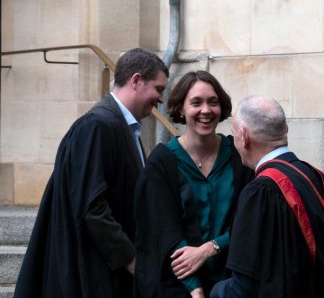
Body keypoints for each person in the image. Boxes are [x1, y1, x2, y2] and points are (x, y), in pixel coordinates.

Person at [15, 48, 169, 298]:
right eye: (158, 89)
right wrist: (131, 260)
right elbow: (91, 207)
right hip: (94, 275)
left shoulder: (120, 127)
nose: (161, 99)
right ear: (136, 80)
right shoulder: (98, 126)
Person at [210, 96, 324, 298]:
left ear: (244, 136)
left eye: (233, 134)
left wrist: (215, 291)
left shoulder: (261, 191)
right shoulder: (319, 178)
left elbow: (244, 288)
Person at [134, 71, 253, 298]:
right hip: (177, 284)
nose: (206, 110)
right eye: (196, 103)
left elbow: (248, 220)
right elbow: (164, 230)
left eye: (213, 102)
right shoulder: (163, 162)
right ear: (180, 108)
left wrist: (211, 248)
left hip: (232, 282)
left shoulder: (239, 156)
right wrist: (194, 289)